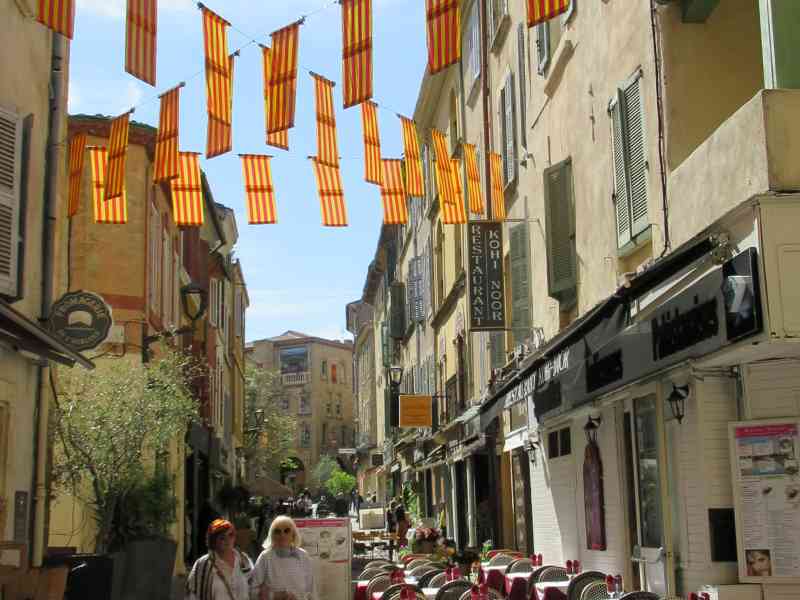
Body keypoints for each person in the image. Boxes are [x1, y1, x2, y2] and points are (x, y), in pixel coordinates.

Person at [185, 518, 256, 600]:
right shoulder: (203, 564)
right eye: (222, 537)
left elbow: (254, 587)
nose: (227, 540)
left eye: (231, 535)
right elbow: (192, 594)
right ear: (213, 541)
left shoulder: (244, 560)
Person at [254, 515, 316, 600]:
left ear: (293, 534)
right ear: (272, 535)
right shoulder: (265, 557)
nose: (282, 535)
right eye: (277, 531)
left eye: (286, 531)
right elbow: (252, 590)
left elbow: (312, 590)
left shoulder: (303, 556)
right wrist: (274, 596)